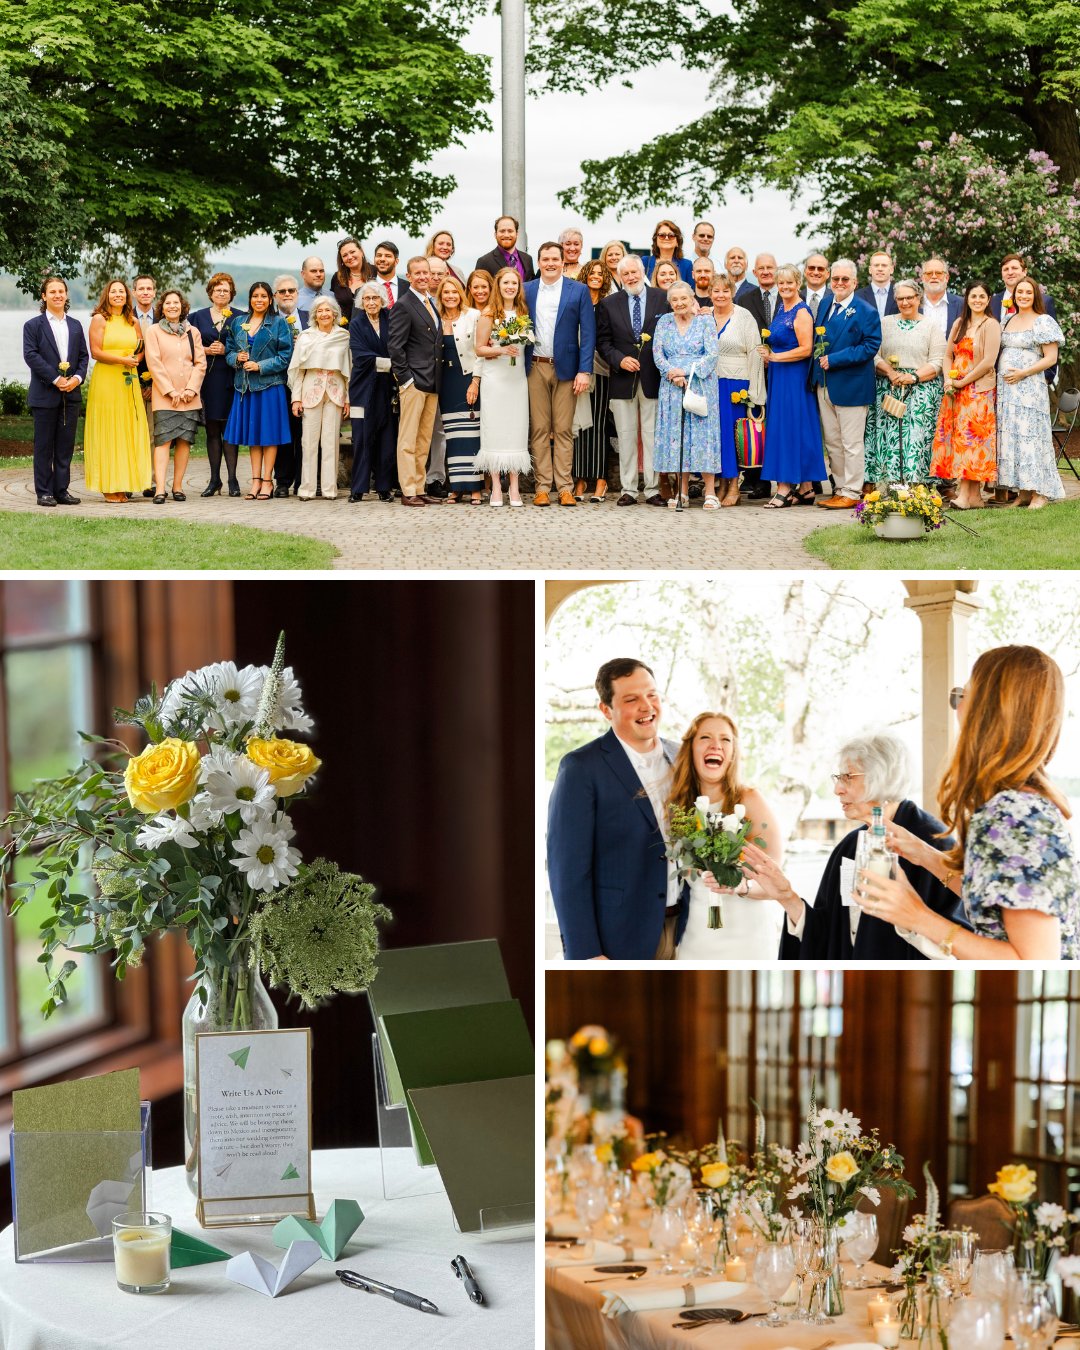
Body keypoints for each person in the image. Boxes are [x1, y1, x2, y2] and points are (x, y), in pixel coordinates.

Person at [858, 647, 1079, 960]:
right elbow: (1000, 905)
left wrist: (917, 916)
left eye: (963, 696)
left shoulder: (1014, 814)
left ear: (990, 710)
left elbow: (1036, 961)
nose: (957, 709)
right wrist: (923, 854)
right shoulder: (1019, 804)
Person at [739, 734, 968, 960]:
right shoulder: (849, 847)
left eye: (848, 777)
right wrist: (787, 897)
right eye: (838, 778)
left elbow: (961, 947)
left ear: (881, 778)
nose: (837, 789)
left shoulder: (933, 844)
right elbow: (829, 933)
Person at [547, 658, 680, 960]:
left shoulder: (682, 756)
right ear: (606, 710)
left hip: (689, 930)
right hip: (620, 940)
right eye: (631, 699)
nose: (647, 707)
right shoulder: (581, 768)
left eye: (652, 695)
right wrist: (587, 953)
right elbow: (567, 871)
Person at [671, 712, 784, 960]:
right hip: (696, 935)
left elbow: (775, 883)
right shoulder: (678, 807)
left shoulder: (750, 800)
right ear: (691, 748)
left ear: (733, 753)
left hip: (747, 937)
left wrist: (739, 885)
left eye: (725, 739)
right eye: (705, 737)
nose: (716, 745)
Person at [525, 242, 595, 507]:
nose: (551, 263)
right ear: (540, 262)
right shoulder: (527, 290)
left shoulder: (578, 290)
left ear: (563, 261)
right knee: (540, 429)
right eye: (546, 259)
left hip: (567, 368)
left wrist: (584, 370)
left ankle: (565, 487)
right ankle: (542, 487)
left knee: (564, 429)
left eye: (555, 258)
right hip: (535, 365)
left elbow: (588, 334)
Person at [597, 253, 668, 508]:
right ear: (619, 276)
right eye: (625, 274)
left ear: (642, 273)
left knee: (651, 435)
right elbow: (603, 342)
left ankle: (652, 489)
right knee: (626, 435)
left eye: (634, 272)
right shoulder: (609, 304)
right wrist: (619, 360)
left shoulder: (662, 298)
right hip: (622, 378)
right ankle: (628, 489)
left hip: (654, 377)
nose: (630, 277)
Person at [811, 259, 881, 510]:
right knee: (832, 442)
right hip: (824, 383)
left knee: (851, 443)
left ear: (854, 282)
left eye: (845, 280)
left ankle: (853, 490)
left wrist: (836, 359)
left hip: (851, 385)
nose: (839, 284)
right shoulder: (826, 304)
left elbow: (870, 347)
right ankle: (840, 488)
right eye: (836, 279)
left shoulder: (866, 311)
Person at [864, 279, 946, 484]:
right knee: (888, 437)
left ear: (919, 298)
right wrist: (891, 373)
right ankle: (886, 484)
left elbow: (937, 361)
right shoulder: (884, 323)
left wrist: (913, 377)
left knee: (917, 438)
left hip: (922, 390)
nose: (905, 302)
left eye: (909, 297)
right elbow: (873, 355)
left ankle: (918, 485)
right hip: (889, 387)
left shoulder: (931, 325)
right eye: (900, 298)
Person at [994, 277, 1065, 510]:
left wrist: (1023, 373)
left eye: (1028, 292)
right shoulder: (1007, 320)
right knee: (1013, 438)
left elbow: (1050, 358)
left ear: (1035, 295)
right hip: (1008, 391)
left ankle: (1041, 492)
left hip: (1030, 389)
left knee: (1032, 437)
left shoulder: (1042, 321)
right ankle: (1023, 493)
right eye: (1019, 292)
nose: (1023, 296)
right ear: (1014, 295)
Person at [758, 264, 825, 508]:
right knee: (792, 427)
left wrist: (776, 357)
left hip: (794, 377)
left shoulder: (801, 312)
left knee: (788, 428)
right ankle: (806, 488)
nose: (785, 287)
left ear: (798, 284)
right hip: (779, 374)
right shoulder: (781, 309)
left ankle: (784, 488)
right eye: (781, 283)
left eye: (789, 283)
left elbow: (806, 349)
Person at [929, 282, 1001, 509]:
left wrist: (962, 381)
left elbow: (988, 361)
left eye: (982, 296)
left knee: (974, 443)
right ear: (967, 299)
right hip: (955, 391)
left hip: (978, 390)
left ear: (988, 299)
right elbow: (947, 355)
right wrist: (949, 380)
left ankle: (965, 494)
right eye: (973, 296)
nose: (977, 300)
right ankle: (974, 497)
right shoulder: (960, 323)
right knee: (959, 441)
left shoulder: (991, 325)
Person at [652, 281, 721, 509]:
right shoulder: (663, 322)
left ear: (693, 299)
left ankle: (710, 492)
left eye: (684, 298)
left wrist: (687, 371)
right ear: (670, 302)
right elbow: (657, 353)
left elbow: (711, 355)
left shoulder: (705, 321)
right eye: (675, 300)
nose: (680, 303)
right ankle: (681, 492)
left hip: (699, 385)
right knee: (677, 437)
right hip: (672, 386)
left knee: (702, 437)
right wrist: (672, 373)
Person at [223, 281, 293, 499]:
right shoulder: (237, 322)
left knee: (269, 436)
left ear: (270, 299)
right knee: (254, 436)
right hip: (245, 387)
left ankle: (267, 481)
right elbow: (229, 351)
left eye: (263, 296)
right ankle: (254, 481)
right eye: (255, 296)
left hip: (270, 386)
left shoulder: (279, 323)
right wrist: (237, 358)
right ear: (250, 299)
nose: (259, 300)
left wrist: (260, 366)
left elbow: (285, 356)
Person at [23, 276, 88, 507]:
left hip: (71, 395)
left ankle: (61, 490)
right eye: (52, 291)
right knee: (44, 447)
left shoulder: (76, 325)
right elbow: (31, 356)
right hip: (44, 395)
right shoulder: (33, 326)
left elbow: (83, 357)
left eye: (61, 291)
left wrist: (77, 379)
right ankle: (44, 492)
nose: (58, 295)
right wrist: (55, 378)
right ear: (44, 296)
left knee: (65, 446)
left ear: (66, 295)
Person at [83, 279, 149, 504]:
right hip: (106, 381)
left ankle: (124, 483)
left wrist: (135, 360)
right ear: (107, 295)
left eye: (121, 291)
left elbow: (141, 349)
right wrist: (122, 359)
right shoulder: (100, 319)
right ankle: (108, 485)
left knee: (127, 429)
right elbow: (96, 352)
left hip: (128, 380)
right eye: (114, 291)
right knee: (109, 429)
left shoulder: (133, 321)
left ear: (127, 295)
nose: (118, 295)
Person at [388, 255, 443, 507]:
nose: (423, 277)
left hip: (432, 382)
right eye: (417, 273)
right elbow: (395, 347)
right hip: (413, 383)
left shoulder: (430, 302)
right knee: (408, 440)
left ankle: (419, 488)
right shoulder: (404, 304)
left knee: (424, 441)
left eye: (426, 273)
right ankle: (408, 489)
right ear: (409, 276)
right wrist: (405, 379)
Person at [474, 267, 531, 507]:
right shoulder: (489, 313)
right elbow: (479, 348)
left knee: (516, 431)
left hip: (517, 380)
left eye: (514, 283)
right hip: (495, 380)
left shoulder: (522, 312)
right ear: (498, 285)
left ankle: (515, 487)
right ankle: (497, 486)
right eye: (506, 282)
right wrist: (501, 349)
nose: (510, 287)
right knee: (495, 430)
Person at [143, 289, 206, 503]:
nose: (172, 306)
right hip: (165, 396)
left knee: (184, 442)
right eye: (168, 303)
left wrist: (190, 389)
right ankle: (160, 488)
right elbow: (153, 363)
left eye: (176, 303)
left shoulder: (193, 331)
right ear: (162, 307)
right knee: (162, 441)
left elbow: (200, 363)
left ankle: (178, 487)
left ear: (182, 306)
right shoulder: (153, 331)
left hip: (189, 398)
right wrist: (170, 390)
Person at [286, 294, 350, 500]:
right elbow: (298, 370)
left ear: (334, 314)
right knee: (308, 442)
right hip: (310, 390)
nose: (324, 314)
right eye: (320, 310)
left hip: (335, 391)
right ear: (315, 314)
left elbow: (349, 369)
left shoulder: (343, 336)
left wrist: (348, 398)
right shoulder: (306, 337)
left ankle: (330, 489)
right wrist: (296, 398)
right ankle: (307, 489)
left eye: (328, 310)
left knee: (331, 442)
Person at [711, 273, 766, 507]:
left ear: (732, 292)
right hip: (711, 384)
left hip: (736, 384)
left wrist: (755, 392)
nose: (720, 295)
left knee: (734, 436)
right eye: (716, 291)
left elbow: (755, 353)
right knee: (717, 436)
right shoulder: (704, 316)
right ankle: (721, 483)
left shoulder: (744, 316)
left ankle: (734, 484)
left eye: (725, 290)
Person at [189, 272, 244, 496]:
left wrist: (226, 350)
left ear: (231, 294)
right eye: (217, 289)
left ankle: (232, 479)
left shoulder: (240, 317)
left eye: (226, 290)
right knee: (212, 430)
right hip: (208, 380)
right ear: (210, 293)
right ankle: (214, 480)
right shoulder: (196, 317)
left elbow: (246, 346)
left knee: (229, 431)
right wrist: (205, 349)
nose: (221, 293)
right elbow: (186, 347)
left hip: (231, 378)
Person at [434, 274, 484, 504]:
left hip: (466, 379)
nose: (451, 296)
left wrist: (475, 381)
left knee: (472, 435)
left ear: (461, 294)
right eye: (446, 292)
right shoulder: (435, 318)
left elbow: (481, 352)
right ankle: (456, 488)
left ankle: (475, 488)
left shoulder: (473, 316)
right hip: (446, 382)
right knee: (452, 436)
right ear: (441, 296)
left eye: (454, 292)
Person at [735, 253, 780, 498]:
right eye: (761, 268)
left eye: (769, 268)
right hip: (755, 368)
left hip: (783, 367)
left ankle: (789, 479)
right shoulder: (744, 299)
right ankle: (757, 480)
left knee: (780, 423)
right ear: (754, 272)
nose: (765, 272)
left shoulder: (787, 296)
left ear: (776, 269)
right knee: (756, 423)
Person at [347, 282, 396, 503]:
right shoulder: (356, 324)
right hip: (362, 390)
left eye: (375, 298)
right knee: (361, 439)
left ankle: (384, 487)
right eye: (366, 299)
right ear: (361, 302)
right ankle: (358, 488)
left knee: (386, 441)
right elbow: (360, 357)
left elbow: (397, 346)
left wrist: (389, 363)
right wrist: (390, 363)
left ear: (383, 300)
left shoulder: (391, 319)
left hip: (387, 390)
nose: (371, 302)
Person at [571, 258, 614, 502]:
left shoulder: (607, 306)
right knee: (578, 426)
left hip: (600, 370)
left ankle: (600, 479)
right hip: (576, 368)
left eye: (600, 273)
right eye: (592, 272)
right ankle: (580, 479)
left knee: (597, 424)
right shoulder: (576, 302)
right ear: (585, 275)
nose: (596, 276)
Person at [272, 274, 309, 498]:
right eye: (283, 291)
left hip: (306, 383)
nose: (288, 295)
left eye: (292, 291)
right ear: (275, 296)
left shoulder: (310, 317)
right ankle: (283, 481)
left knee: (305, 433)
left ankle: (303, 480)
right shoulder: (270, 320)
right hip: (279, 382)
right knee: (284, 433)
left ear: (298, 293)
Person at [475, 215, 535, 282]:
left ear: (517, 234)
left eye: (510, 231)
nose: (506, 235)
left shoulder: (528, 259)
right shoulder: (484, 262)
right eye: (502, 231)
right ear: (495, 234)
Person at [919, 258, 963, 342]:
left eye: (939, 273)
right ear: (922, 278)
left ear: (947, 277)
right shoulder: (913, 304)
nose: (934, 276)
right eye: (929, 273)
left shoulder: (961, 304)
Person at [330, 237, 374, 321]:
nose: (349, 257)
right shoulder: (337, 278)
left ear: (361, 252)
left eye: (352, 252)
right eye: (345, 255)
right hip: (344, 330)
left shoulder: (375, 272)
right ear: (342, 260)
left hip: (372, 328)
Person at [644, 220, 694, 285]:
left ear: (677, 242)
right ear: (656, 241)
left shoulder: (687, 265)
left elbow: (691, 292)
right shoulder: (645, 262)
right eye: (662, 235)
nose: (666, 238)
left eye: (671, 235)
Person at [856, 251, 898, 318]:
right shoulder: (858, 296)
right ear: (870, 269)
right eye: (876, 265)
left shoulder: (900, 294)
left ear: (891, 269)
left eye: (884, 265)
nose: (880, 269)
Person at [372, 241, 410, 309]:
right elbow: (356, 319)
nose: (382, 259)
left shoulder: (409, 288)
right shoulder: (364, 289)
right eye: (379, 255)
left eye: (388, 256)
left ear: (396, 261)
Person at [801, 253, 831, 321]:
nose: (816, 272)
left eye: (820, 269)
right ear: (805, 272)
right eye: (811, 268)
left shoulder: (836, 298)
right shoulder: (795, 298)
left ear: (828, 274)